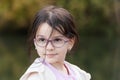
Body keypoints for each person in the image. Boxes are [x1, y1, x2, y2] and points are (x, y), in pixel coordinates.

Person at [20, 5, 91, 80]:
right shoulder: (36, 77)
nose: (49, 47)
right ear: (35, 43)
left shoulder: (78, 73)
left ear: (70, 42)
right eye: (42, 40)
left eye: (57, 40)